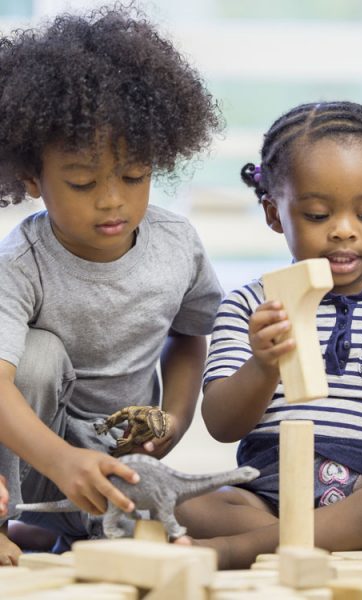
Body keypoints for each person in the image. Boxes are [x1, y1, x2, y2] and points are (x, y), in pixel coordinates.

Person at [0, 3, 223, 563]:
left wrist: (174, 415)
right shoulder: (19, 264)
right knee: (38, 356)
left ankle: (78, 530)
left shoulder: (177, 245)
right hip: (36, 467)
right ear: (32, 178)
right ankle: (17, 522)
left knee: (217, 513)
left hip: (120, 461)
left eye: (133, 176)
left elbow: (191, 335)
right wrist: (58, 460)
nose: (112, 201)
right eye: (81, 181)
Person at [175, 100, 362, 569]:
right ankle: (308, 540)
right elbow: (222, 425)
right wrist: (262, 363)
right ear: (274, 213)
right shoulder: (250, 306)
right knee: (175, 499)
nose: (344, 231)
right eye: (317, 215)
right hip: (266, 492)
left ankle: (240, 550)